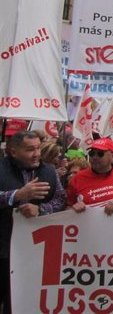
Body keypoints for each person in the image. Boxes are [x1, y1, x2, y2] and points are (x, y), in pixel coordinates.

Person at [0, 131, 66, 314]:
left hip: (31, 252)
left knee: (18, 303)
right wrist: (16, 195)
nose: (37, 153)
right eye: (30, 149)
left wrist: (41, 209)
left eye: (38, 148)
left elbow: (60, 200)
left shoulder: (49, 171)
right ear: (13, 152)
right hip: (3, 248)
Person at [67, 137, 113, 214]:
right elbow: (67, 208)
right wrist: (73, 209)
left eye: (100, 154)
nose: (94, 157)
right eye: (92, 153)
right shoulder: (77, 178)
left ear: (112, 156)